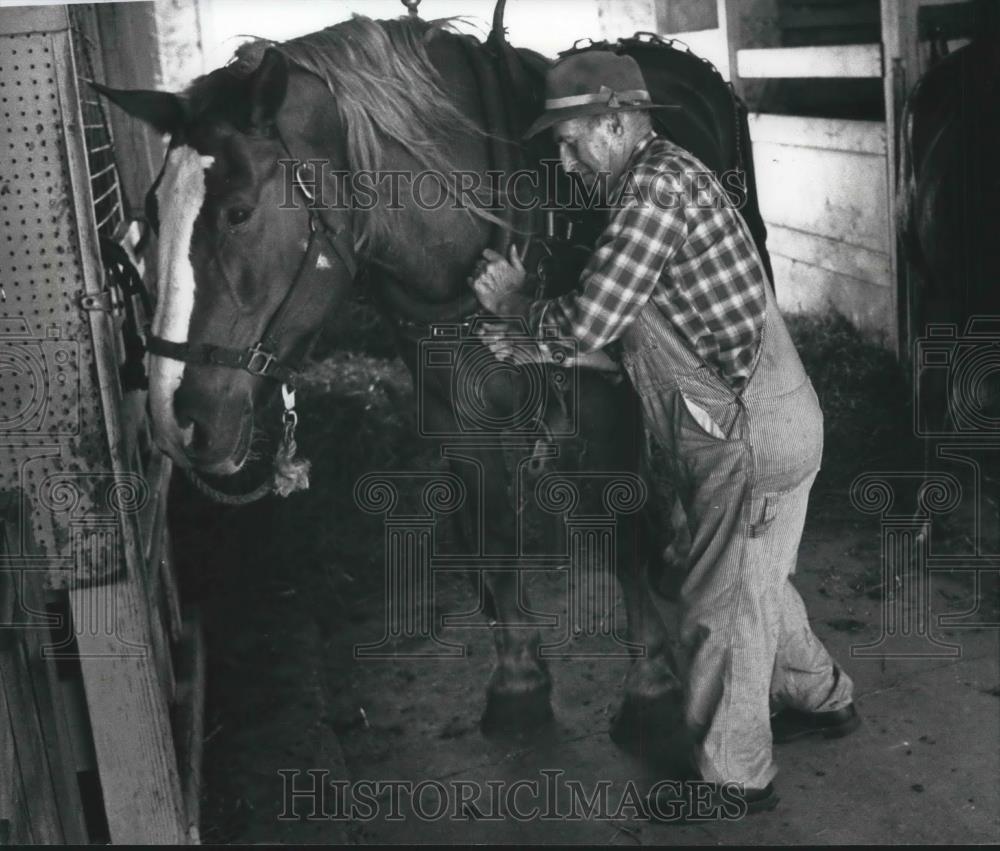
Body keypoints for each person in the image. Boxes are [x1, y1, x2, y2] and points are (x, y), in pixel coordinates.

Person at [470, 50, 860, 821]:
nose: (564, 156)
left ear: (616, 123)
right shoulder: (656, 183)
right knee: (758, 576)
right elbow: (624, 338)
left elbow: (590, 321)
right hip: (768, 419)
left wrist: (517, 309)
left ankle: (736, 778)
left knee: (717, 600)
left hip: (746, 436)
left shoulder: (651, 192)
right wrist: (536, 334)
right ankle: (823, 697)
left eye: (574, 138)